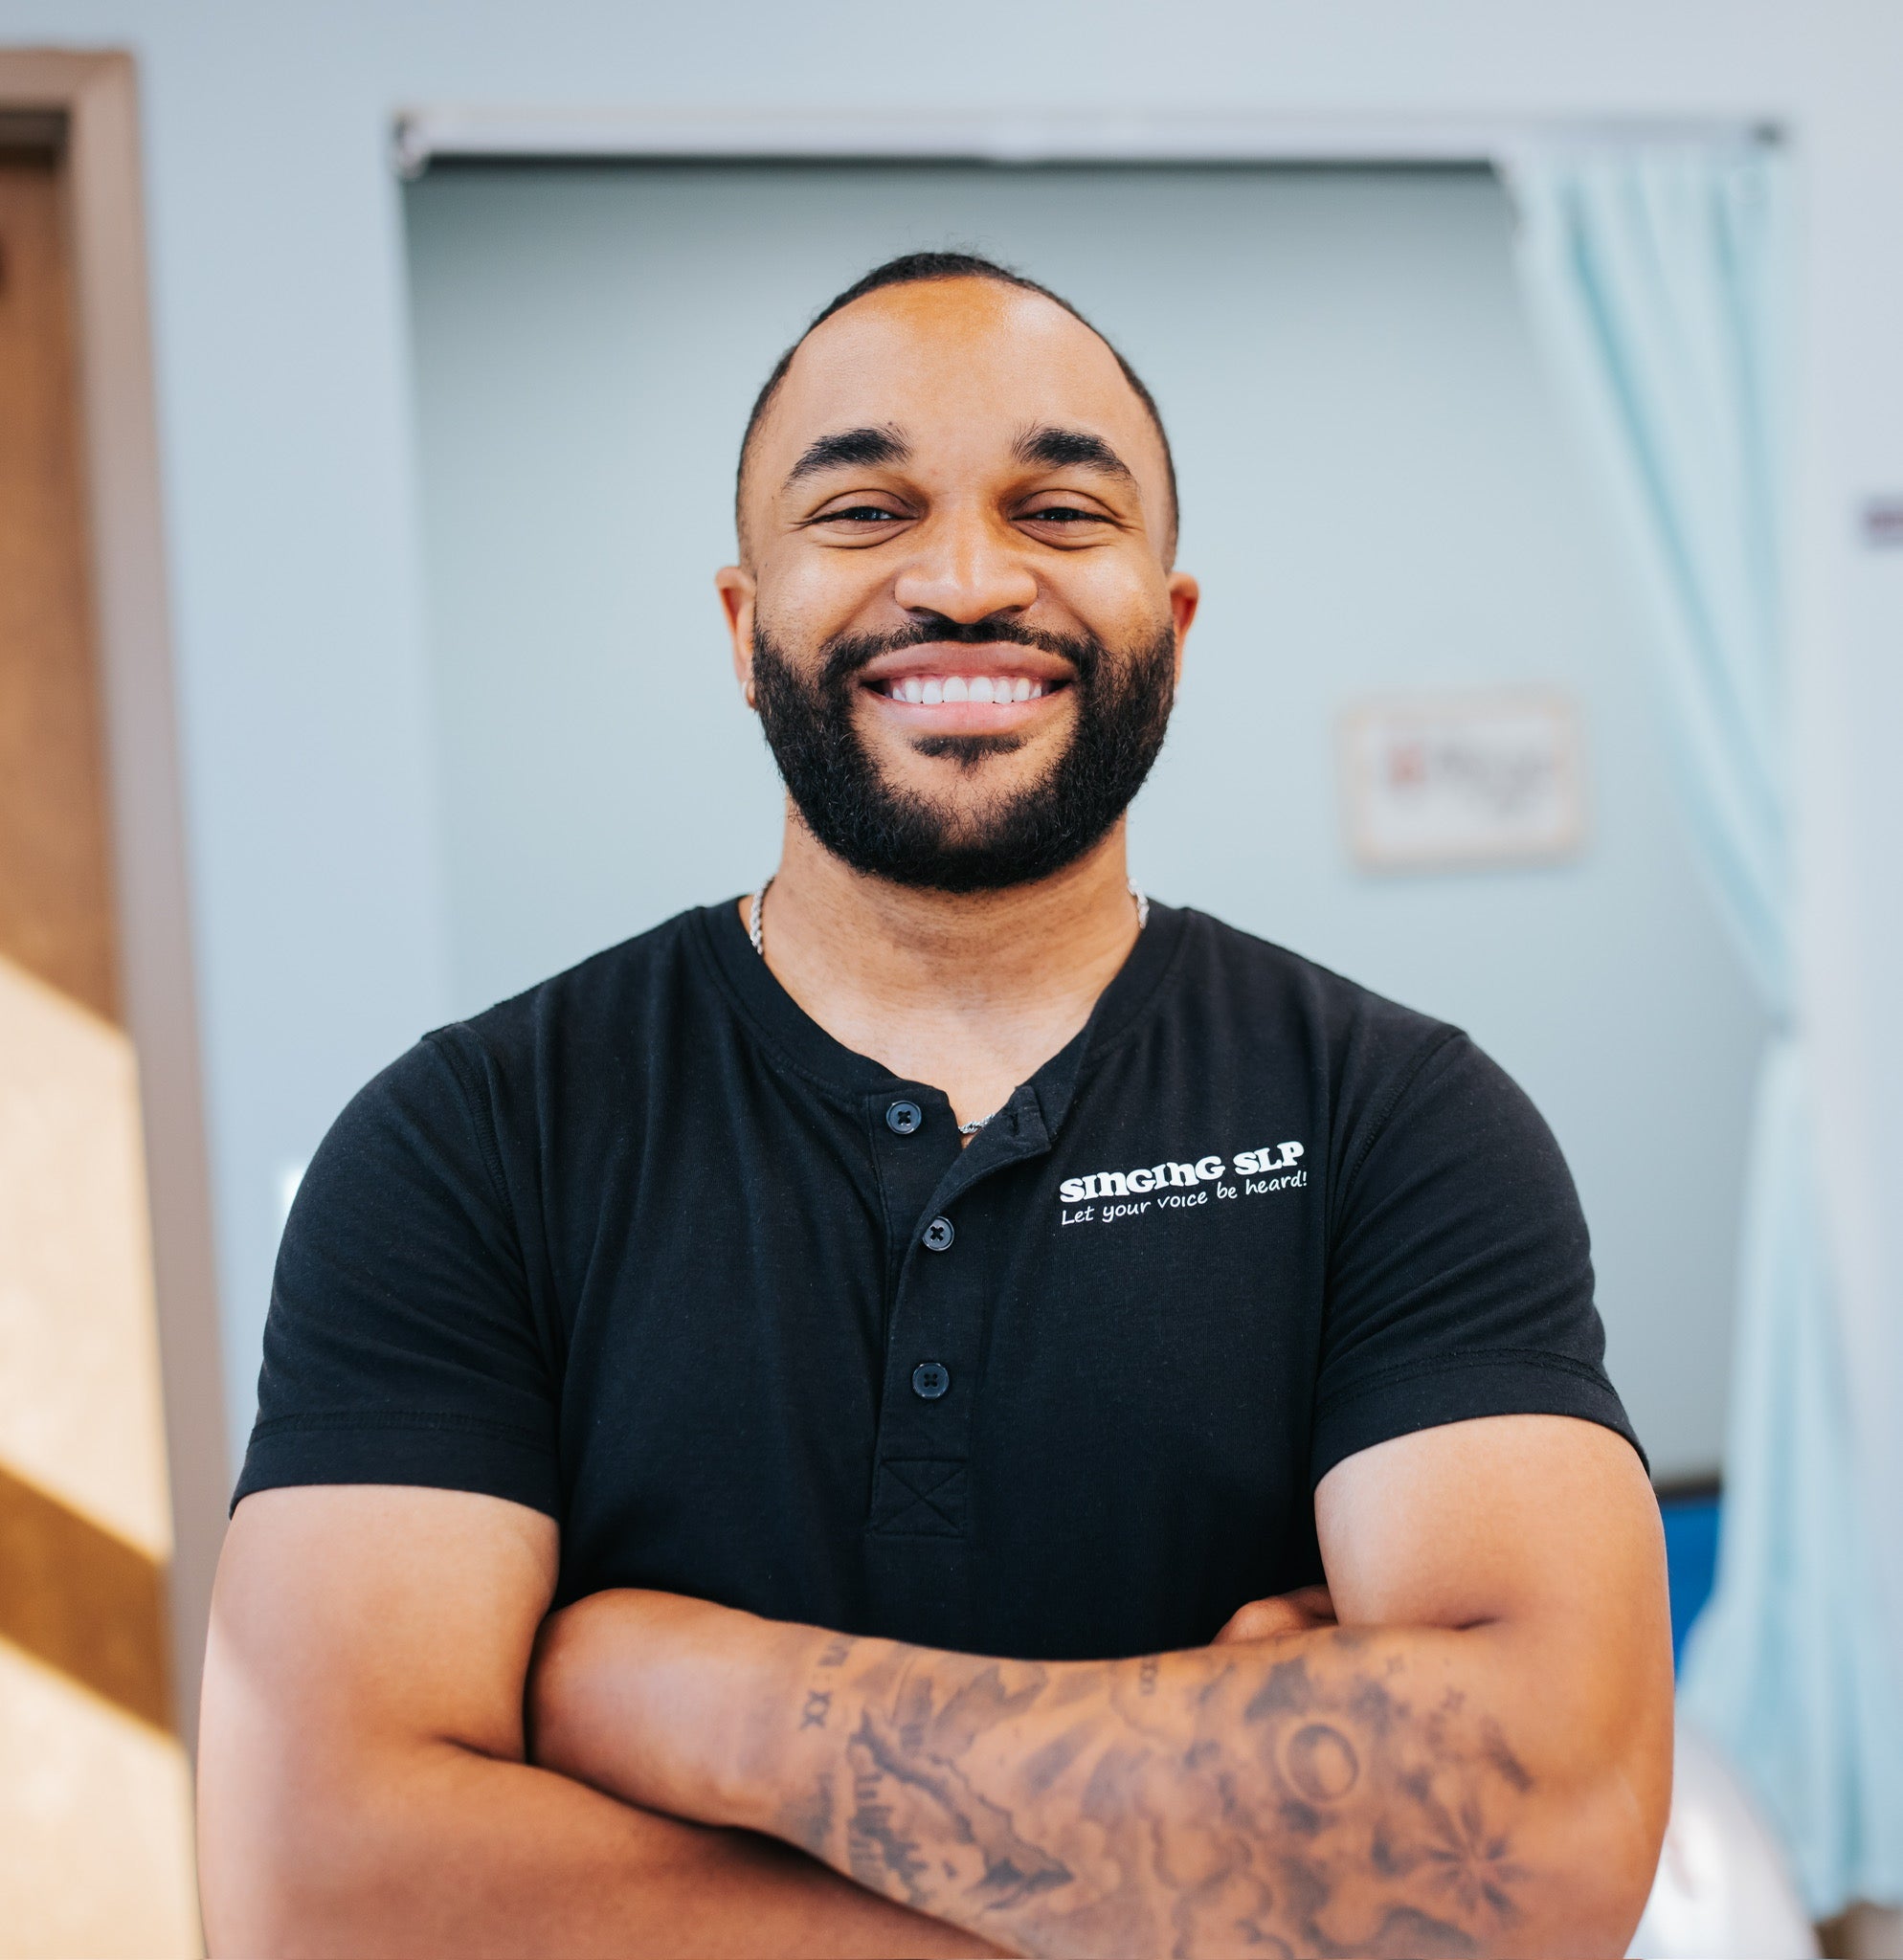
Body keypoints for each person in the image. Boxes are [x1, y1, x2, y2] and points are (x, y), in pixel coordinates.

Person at [198, 251, 1672, 1958]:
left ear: (1172, 627)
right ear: (744, 630)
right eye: (864, 511)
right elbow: (326, 1894)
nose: (967, 581)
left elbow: (1545, 1837)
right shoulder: (466, 1145)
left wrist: (701, 1698)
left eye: (1060, 511)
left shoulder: (1398, 1121)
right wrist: (1202, 1869)